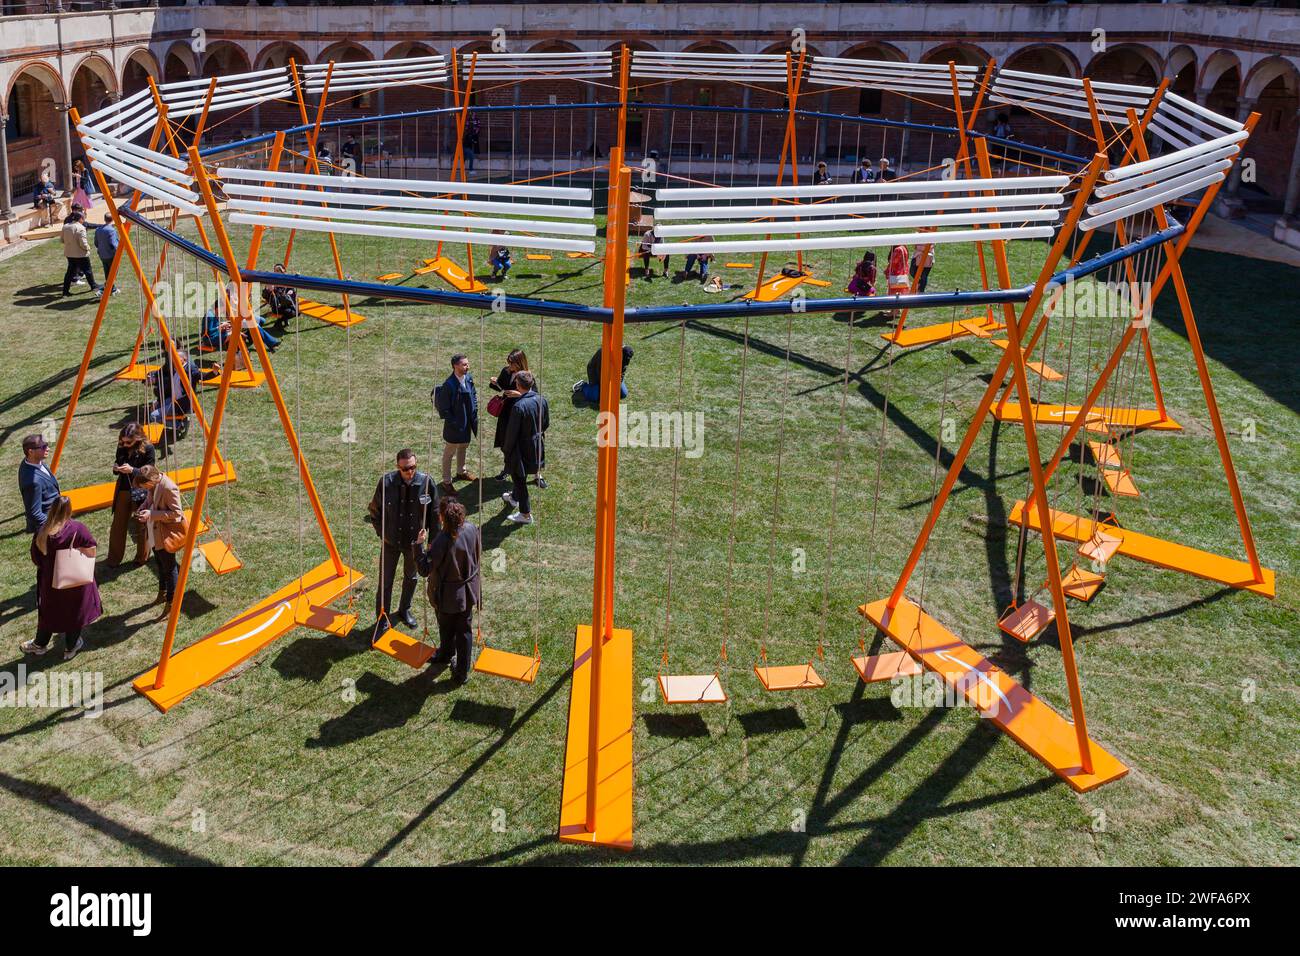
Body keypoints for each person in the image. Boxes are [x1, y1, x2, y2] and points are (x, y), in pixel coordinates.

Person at [20, 496, 100, 661]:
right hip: (76, 581)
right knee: (75, 614)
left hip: (51, 583)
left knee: (48, 614)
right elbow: (91, 549)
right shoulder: (77, 528)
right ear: (68, 511)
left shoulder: (42, 532)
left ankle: (40, 645)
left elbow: (36, 559)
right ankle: (70, 648)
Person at [367, 448, 437, 634]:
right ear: (398, 467)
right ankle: (382, 617)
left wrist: (432, 543)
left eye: (413, 467)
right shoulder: (386, 483)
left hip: (414, 544)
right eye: (405, 469)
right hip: (391, 543)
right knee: (385, 581)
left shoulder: (427, 483)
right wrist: (383, 533)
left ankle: (404, 609)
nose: (409, 472)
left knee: (411, 578)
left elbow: (435, 515)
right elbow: (375, 511)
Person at [417, 497, 481, 683]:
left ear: (442, 519)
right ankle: (460, 670)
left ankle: (448, 656)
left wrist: (418, 545)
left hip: (448, 596)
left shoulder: (442, 540)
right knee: (464, 632)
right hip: (468, 591)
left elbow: (424, 569)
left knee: (446, 627)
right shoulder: (471, 529)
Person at [500, 370, 548, 525]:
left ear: (517, 385)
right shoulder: (542, 399)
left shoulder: (519, 406)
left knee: (519, 478)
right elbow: (546, 423)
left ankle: (525, 514)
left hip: (521, 449)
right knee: (521, 475)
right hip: (537, 444)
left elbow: (512, 433)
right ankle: (514, 498)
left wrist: (506, 450)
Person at [132, 465, 183, 607]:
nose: (145, 489)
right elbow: (150, 500)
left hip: (165, 534)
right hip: (154, 532)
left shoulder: (169, 488)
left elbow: (177, 514)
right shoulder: (153, 484)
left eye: (145, 486)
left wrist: (152, 515)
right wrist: (143, 508)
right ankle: (163, 593)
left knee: (169, 567)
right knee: (160, 564)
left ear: (152, 479)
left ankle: (172, 603)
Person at [106, 423, 155, 568]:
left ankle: (142, 557)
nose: (125, 444)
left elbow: (151, 472)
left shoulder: (149, 448)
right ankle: (114, 559)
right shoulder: (122, 445)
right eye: (123, 441)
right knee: (118, 524)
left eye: (129, 442)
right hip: (123, 489)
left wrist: (133, 470)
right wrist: (116, 468)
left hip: (141, 490)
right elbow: (118, 461)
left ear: (138, 438)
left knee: (142, 524)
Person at [432, 353, 478, 496]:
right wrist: (454, 422)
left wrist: (474, 411)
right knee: (449, 453)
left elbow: (474, 395)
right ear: (455, 366)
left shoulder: (469, 379)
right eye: (464, 364)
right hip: (454, 426)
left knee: (463, 447)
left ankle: (461, 471)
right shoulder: (449, 385)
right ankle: (446, 481)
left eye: (467, 364)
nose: (467, 366)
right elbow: (444, 409)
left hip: (467, 423)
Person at [489, 349, 528, 481]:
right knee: (505, 442)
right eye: (508, 362)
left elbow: (534, 395)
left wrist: (520, 394)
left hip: (519, 413)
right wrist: (495, 383)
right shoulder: (506, 372)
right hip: (505, 412)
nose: (509, 366)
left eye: (512, 363)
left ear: (519, 362)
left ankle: (527, 471)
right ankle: (507, 469)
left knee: (519, 443)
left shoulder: (526, 376)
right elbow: (502, 388)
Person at [19, 433, 61, 534]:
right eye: (43, 447)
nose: (48, 449)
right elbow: (35, 513)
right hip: (50, 525)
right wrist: (55, 528)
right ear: (31, 451)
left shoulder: (32, 461)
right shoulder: (32, 481)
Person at [61, 209, 101, 297]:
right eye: (83, 218)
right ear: (80, 219)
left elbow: (62, 240)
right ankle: (93, 286)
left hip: (69, 254)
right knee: (88, 270)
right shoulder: (81, 228)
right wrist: (88, 248)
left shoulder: (66, 226)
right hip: (81, 254)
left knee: (69, 273)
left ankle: (65, 291)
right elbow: (83, 243)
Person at [93, 214, 119, 295]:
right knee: (113, 273)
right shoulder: (111, 230)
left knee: (107, 272)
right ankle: (106, 289)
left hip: (102, 254)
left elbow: (96, 243)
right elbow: (113, 244)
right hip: (111, 255)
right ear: (113, 219)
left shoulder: (98, 230)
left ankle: (111, 288)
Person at [886, 243, 910, 318]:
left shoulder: (897, 249)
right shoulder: (904, 247)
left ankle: (894, 312)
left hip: (896, 274)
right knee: (898, 292)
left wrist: (887, 270)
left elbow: (893, 262)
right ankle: (896, 310)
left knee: (894, 293)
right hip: (902, 272)